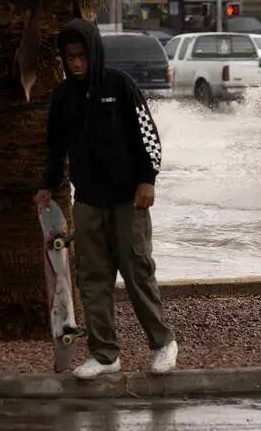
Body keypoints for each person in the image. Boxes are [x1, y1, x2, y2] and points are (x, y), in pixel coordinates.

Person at [35, 19, 177, 379]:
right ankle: (104, 354)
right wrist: (47, 184)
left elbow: (149, 137)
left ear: (93, 53)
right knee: (92, 278)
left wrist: (148, 180)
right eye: (70, 58)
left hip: (129, 199)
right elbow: (55, 148)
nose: (76, 63)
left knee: (137, 271)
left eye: (82, 56)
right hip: (87, 200)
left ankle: (163, 344)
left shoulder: (120, 85)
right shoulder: (63, 97)